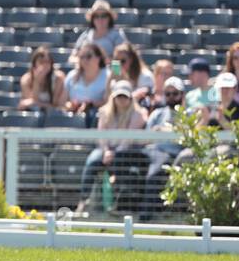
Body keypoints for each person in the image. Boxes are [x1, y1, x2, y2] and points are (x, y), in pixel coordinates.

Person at [76, 80, 149, 216]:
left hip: (126, 152)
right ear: (113, 97)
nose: (121, 100)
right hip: (105, 150)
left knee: (120, 162)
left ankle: (117, 205)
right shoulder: (104, 112)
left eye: (124, 96)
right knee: (92, 161)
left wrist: (114, 153)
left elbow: (129, 138)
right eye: (118, 96)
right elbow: (101, 135)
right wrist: (106, 151)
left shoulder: (139, 114)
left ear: (130, 98)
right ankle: (83, 202)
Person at [143, 77, 185, 218]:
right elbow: (147, 137)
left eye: (175, 93)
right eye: (168, 94)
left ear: (182, 95)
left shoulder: (188, 115)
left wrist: (162, 131)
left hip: (171, 154)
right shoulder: (157, 114)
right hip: (151, 150)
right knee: (122, 155)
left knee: (156, 169)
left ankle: (146, 214)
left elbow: (186, 138)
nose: (171, 97)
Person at [65, 42, 110, 125]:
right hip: (73, 116)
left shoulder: (109, 76)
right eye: (82, 57)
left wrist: (91, 104)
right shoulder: (71, 76)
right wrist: (71, 105)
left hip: (97, 119)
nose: (85, 60)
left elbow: (110, 102)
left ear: (99, 58)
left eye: (89, 56)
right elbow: (63, 101)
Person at [19, 46, 67, 111]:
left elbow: (55, 105)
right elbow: (31, 104)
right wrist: (37, 81)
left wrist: (37, 103)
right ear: (34, 64)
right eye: (41, 62)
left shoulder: (59, 78)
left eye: (47, 62)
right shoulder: (26, 79)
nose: (45, 65)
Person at [111, 41, 155, 106]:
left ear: (131, 59)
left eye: (122, 61)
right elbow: (109, 100)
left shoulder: (145, 76)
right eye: (116, 61)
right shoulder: (115, 77)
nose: (119, 64)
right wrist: (110, 79)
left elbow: (146, 98)